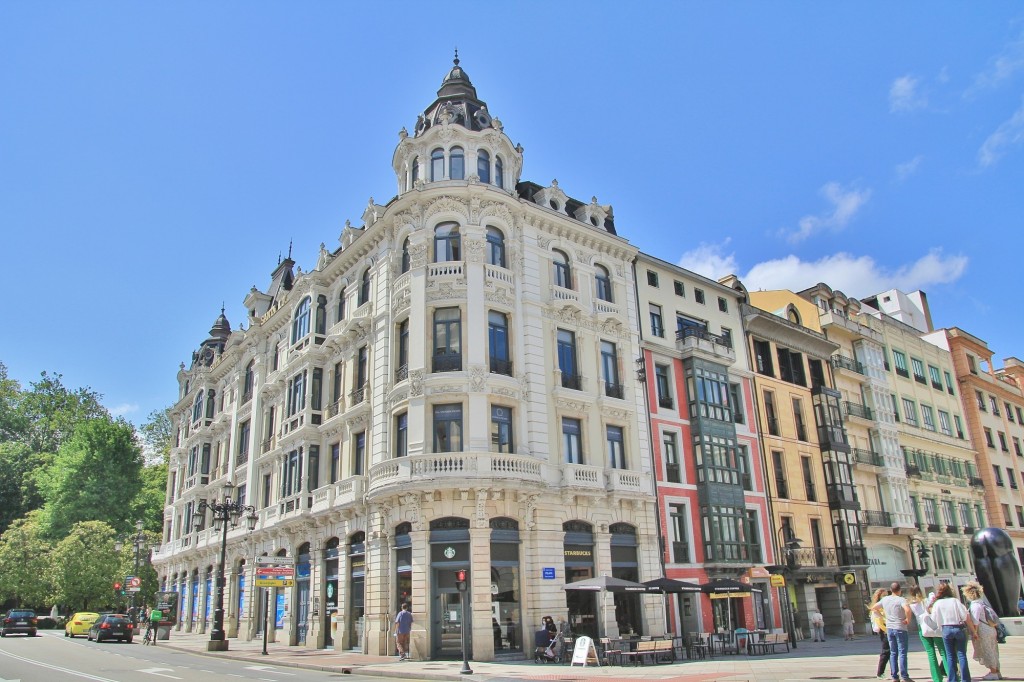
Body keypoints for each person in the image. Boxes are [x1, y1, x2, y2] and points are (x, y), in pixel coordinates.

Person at [932, 581, 978, 682]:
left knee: (950, 656)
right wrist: (974, 631)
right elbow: (966, 616)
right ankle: (965, 679)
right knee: (961, 655)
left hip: (946, 629)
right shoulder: (955, 601)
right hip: (958, 628)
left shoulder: (937, 603)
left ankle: (953, 679)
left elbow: (934, 619)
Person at [871, 582, 912, 682]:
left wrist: (883, 617)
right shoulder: (901, 599)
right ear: (900, 590)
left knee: (893, 652)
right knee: (902, 652)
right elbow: (907, 609)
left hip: (890, 628)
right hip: (900, 628)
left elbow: (873, 608)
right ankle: (904, 676)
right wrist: (908, 619)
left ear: (891, 590)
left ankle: (895, 676)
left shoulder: (885, 599)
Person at [963, 581, 1001, 680]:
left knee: (988, 650)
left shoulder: (975, 605)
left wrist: (975, 633)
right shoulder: (983, 603)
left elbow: (975, 621)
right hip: (991, 628)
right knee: (993, 650)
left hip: (983, 630)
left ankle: (993, 673)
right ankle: (997, 671)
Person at [908, 586, 945, 682]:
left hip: (923, 628)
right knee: (943, 652)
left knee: (931, 654)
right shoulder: (926, 600)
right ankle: (952, 675)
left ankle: (937, 678)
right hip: (933, 626)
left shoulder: (911, 604)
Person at [869, 588, 892, 680]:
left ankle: (894, 671)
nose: (886, 597)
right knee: (886, 651)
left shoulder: (885, 604)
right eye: (884, 595)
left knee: (891, 652)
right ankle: (880, 672)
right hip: (884, 630)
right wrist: (886, 630)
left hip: (889, 628)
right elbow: (878, 621)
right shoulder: (877, 606)